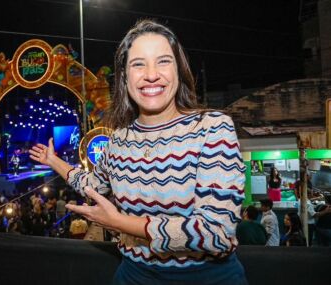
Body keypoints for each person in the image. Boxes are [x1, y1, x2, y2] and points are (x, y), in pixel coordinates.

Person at [30, 19, 247, 284]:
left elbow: (216, 233)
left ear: (179, 70)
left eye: (163, 61)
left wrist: (121, 223)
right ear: (124, 77)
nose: (151, 74)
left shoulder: (211, 127)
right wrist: (53, 160)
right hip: (133, 275)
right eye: (138, 64)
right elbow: (92, 185)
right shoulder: (119, 139)